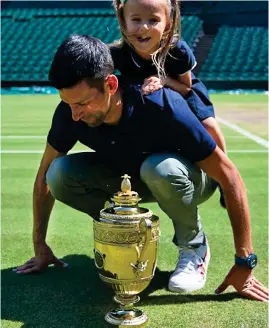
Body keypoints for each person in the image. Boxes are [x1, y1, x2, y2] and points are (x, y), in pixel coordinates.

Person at [14, 35, 268, 302]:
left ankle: (194, 246)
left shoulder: (161, 106)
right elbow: (44, 178)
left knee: (160, 168)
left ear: (111, 84)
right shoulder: (69, 113)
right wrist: (39, 245)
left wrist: (245, 261)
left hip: (188, 178)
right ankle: (126, 237)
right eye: (68, 104)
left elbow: (230, 175)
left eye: (82, 104)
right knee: (58, 174)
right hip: (129, 180)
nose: (75, 114)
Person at [110, 0, 227, 206]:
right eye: (136, 19)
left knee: (209, 125)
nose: (144, 27)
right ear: (123, 20)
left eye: (153, 20)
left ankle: (225, 177)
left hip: (179, 88)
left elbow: (186, 88)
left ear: (168, 22)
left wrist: (163, 80)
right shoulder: (118, 54)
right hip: (143, 93)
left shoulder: (178, 50)